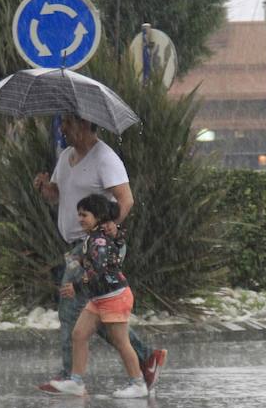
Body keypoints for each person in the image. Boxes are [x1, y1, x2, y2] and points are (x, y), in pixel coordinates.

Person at [33, 114, 167, 392]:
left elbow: (126, 199)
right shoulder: (66, 156)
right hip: (75, 247)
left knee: (70, 307)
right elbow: (58, 195)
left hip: (93, 247)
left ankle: (71, 377)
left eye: (67, 123)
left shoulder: (105, 158)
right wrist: (44, 189)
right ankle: (146, 357)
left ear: (84, 124)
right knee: (97, 314)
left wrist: (109, 229)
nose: (62, 128)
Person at [49, 194, 146, 397]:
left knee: (121, 342)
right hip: (99, 298)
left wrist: (77, 285)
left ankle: (138, 384)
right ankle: (76, 382)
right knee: (79, 335)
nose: (80, 219)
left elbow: (99, 271)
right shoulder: (94, 237)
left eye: (84, 215)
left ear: (98, 216)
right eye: (79, 214)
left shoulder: (99, 241)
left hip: (114, 297)